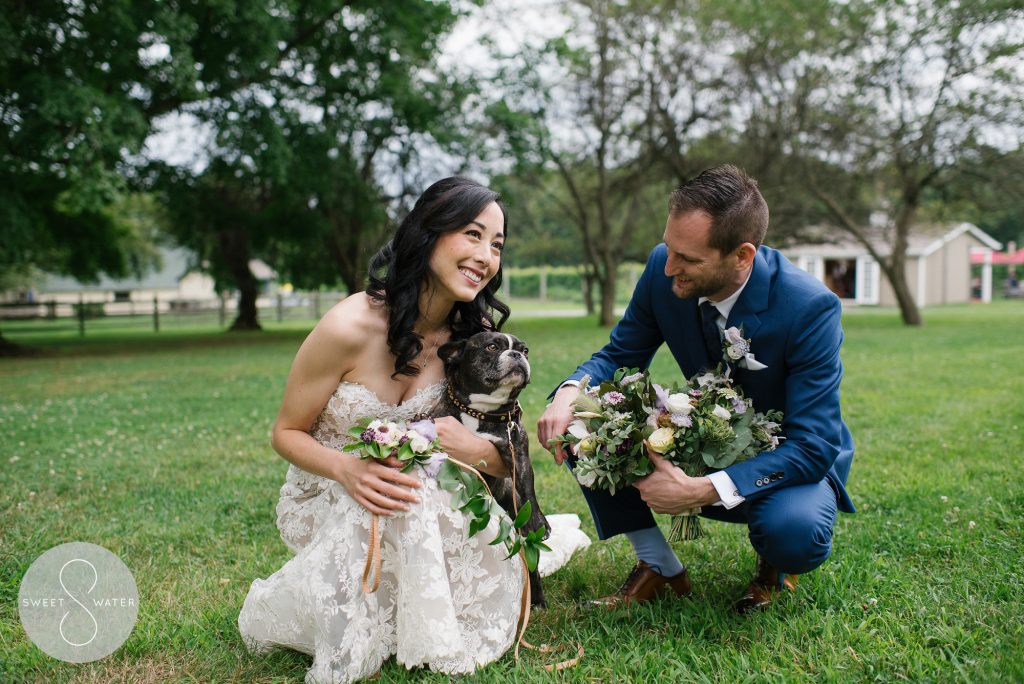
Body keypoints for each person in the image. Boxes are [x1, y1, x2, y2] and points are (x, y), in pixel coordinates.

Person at [239, 177, 538, 682]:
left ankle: (428, 624)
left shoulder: (476, 343)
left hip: (421, 489)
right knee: (402, 485)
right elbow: (286, 433)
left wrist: (475, 450)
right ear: (428, 233)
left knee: (420, 478)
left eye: (497, 245)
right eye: (472, 234)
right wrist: (349, 469)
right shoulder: (347, 327)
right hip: (331, 487)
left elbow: (508, 453)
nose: (486, 256)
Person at [538, 165, 855, 612]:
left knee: (792, 532)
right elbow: (620, 352)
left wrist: (701, 490)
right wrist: (571, 390)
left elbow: (815, 444)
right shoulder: (662, 268)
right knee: (581, 422)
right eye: (668, 248)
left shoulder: (810, 308)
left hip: (782, 456)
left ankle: (773, 565)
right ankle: (660, 568)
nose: (669, 268)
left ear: (742, 256)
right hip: (701, 435)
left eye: (687, 259)